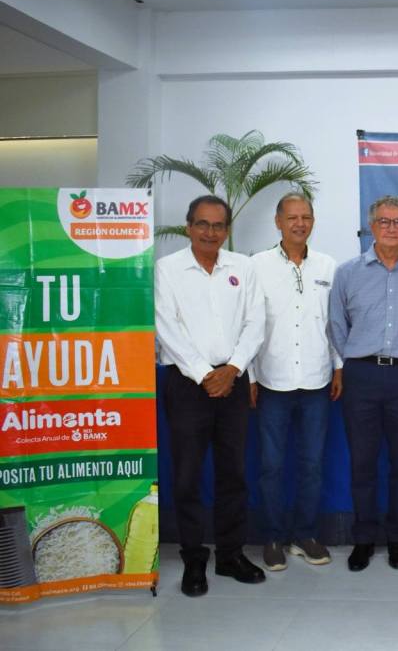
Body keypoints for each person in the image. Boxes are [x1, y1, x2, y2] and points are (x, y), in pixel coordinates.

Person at [155, 195, 266, 596]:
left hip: (233, 381)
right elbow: (166, 327)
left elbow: (256, 321)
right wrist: (205, 374)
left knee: (233, 474)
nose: (210, 232)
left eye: (218, 226)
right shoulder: (168, 269)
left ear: (227, 230)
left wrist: (232, 369)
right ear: (188, 227)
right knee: (186, 475)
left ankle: (231, 554)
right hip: (187, 385)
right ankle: (193, 559)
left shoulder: (244, 267)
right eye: (202, 224)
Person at [328, 195, 398, 571]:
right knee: (362, 463)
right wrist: (355, 358)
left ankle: (397, 539)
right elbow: (337, 325)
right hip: (361, 375)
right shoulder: (348, 272)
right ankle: (363, 539)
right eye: (384, 221)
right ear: (371, 227)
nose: (391, 228)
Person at [249, 193, 341, 571]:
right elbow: (250, 325)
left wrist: (338, 367)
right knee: (271, 465)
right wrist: (251, 376)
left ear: (313, 221)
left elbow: (333, 323)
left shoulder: (328, 265)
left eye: (305, 217)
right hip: (273, 381)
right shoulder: (257, 266)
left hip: (318, 380)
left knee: (312, 464)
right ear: (278, 222)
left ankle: (305, 535)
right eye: (292, 217)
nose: (299, 223)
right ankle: (272, 538)